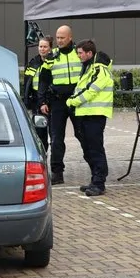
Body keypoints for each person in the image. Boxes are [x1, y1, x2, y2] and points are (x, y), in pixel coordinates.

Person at [37, 25, 84, 185]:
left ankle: (94, 167)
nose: (59, 40)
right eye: (57, 38)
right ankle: (57, 173)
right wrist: (42, 101)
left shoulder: (79, 53)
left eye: (62, 37)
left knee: (83, 135)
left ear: (70, 37)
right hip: (57, 102)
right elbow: (43, 80)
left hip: (76, 101)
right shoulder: (52, 56)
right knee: (56, 138)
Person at [66, 40, 114, 197]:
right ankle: (95, 180)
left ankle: (99, 183)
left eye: (80, 53)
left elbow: (90, 91)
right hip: (85, 114)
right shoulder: (88, 68)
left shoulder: (100, 70)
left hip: (95, 115)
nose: (78, 56)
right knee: (88, 150)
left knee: (95, 149)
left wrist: (71, 101)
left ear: (89, 53)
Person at [23, 35, 54, 150]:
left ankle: (54, 155)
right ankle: (43, 155)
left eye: (45, 47)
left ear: (50, 48)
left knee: (54, 133)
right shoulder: (33, 62)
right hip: (36, 101)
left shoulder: (54, 62)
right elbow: (27, 83)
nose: (42, 49)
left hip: (51, 100)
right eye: (40, 46)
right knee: (40, 133)